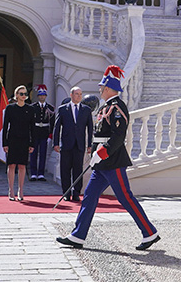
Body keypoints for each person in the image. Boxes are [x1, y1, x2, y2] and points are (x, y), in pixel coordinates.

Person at [56, 65, 159, 250]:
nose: (100, 90)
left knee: (125, 198)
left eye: (102, 87)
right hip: (101, 163)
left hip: (112, 161)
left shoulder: (117, 107)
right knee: (89, 196)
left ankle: (149, 232)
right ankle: (78, 235)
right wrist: (96, 154)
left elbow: (118, 137)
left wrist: (101, 153)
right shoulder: (106, 107)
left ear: (109, 89)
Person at [52, 86, 93, 202]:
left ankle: (76, 193)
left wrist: (89, 144)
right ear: (71, 95)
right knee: (65, 170)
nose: (79, 96)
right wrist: (56, 143)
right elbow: (57, 127)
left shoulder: (86, 110)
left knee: (78, 170)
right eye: (76, 94)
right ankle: (66, 192)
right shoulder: (63, 109)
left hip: (79, 145)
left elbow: (90, 129)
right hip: (66, 144)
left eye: (80, 94)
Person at [2, 85, 34, 200]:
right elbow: (5, 126)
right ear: (16, 95)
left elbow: (32, 128)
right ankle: (11, 190)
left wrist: (32, 143)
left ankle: (20, 190)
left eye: (25, 94)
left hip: (24, 140)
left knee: (22, 165)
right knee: (11, 165)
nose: (23, 96)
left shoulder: (30, 109)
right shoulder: (10, 108)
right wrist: (4, 143)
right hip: (12, 139)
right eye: (21, 94)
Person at [30, 85, 55, 181]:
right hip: (35, 132)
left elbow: (52, 123)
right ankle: (33, 173)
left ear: (46, 96)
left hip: (44, 133)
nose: (42, 97)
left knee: (43, 153)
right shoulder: (33, 107)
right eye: (40, 95)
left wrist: (50, 135)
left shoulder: (50, 108)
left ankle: (41, 173)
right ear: (38, 96)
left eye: (43, 95)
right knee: (33, 153)